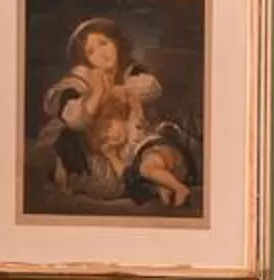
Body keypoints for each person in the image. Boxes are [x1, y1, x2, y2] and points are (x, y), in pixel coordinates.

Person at [38, 18, 198, 209]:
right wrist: (96, 95)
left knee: (154, 155)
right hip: (97, 147)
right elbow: (74, 118)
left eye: (104, 43)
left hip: (132, 139)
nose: (100, 53)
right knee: (110, 182)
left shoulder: (131, 71)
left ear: (116, 42)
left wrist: (116, 91)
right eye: (90, 51)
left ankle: (160, 182)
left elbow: (152, 88)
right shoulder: (78, 82)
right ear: (85, 59)